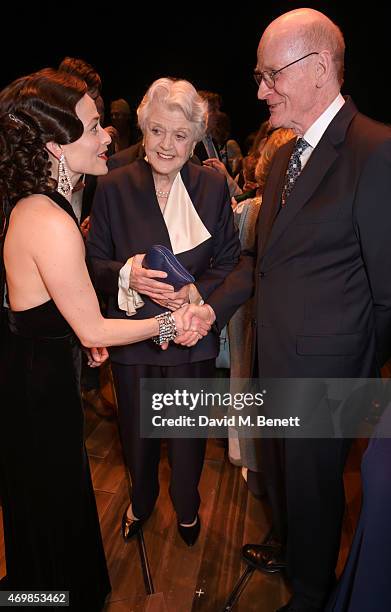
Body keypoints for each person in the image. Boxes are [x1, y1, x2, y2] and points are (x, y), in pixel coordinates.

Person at [201, 8, 391, 611]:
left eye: (269, 75)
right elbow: (263, 265)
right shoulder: (284, 157)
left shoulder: (376, 151)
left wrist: (351, 381)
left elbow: (387, 295)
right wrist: (206, 307)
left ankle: (311, 595)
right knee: (286, 478)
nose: (260, 90)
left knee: (314, 489)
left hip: (327, 378)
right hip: (276, 360)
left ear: (317, 69)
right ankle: (291, 548)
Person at [0, 68, 211, 609]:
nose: (107, 135)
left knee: (48, 497)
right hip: (35, 390)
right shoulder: (48, 216)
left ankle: (40, 593)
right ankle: (40, 599)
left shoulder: (51, 201)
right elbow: (92, 323)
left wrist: (80, 336)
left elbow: (62, 308)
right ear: (55, 145)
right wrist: (168, 322)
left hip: (46, 374)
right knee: (47, 498)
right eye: (93, 127)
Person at [87, 77, 240, 547]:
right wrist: (125, 275)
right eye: (157, 131)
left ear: (195, 140)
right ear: (142, 129)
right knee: (136, 433)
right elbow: (92, 262)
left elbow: (231, 262)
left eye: (179, 135)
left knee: (188, 435)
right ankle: (142, 500)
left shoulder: (213, 187)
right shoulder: (113, 183)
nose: (166, 145)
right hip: (134, 334)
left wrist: (199, 296)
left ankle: (188, 505)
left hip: (190, 337)